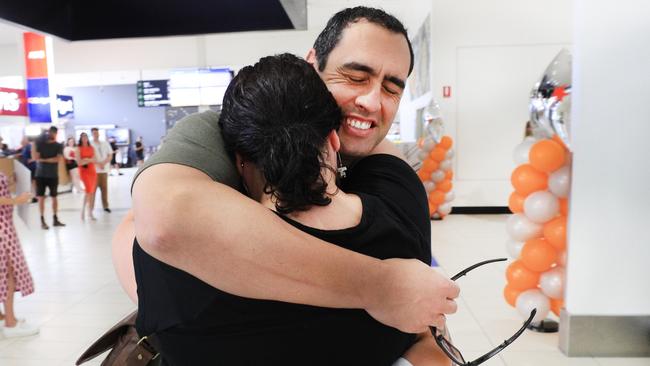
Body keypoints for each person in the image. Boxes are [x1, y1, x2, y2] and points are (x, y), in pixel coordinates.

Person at [114, 6, 459, 340]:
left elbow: (420, 304)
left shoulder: (383, 164)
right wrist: (380, 286)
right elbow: (160, 221)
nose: (371, 101)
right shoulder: (231, 131)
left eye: (391, 88)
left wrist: (426, 339)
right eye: (356, 77)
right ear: (312, 64)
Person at [0, 172, 39, 338]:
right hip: (2, 228)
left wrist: (8, 181)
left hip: (4, 224)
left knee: (4, 273)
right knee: (8, 273)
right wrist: (17, 200)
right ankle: (10, 322)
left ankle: (3, 317)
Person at [32, 126, 65, 229]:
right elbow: (36, 158)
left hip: (53, 175)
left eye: (55, 132)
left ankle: (55, 218)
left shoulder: (59, 145)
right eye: (51, 132)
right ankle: (42, 220)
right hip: (40, 175)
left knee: (54, 197)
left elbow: (57, 159)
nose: (53, 134)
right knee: (41, 198)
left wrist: (43, 160)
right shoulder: (40, 144)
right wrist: (35, 144)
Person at [90, 128, 112, 213]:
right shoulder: (90, 144)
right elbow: (90, 157)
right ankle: (91, 208)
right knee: (93, 190)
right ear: (92, 134)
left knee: (104, 189)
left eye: (97, 132)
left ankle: (105, 206)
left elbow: (110, 155)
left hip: (104, 171)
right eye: (94, 133)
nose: (96, 134)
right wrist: (98, 164)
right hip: (94, 171)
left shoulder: (105, 143)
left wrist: (103, 163)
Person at [77, 133, 98, 221]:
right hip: (83, 172)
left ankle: (85, 211)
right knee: (88, 190)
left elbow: (95, 159)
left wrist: (86, 159)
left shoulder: (91, 148)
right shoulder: (78, 149)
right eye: (83, 137)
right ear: (81, 139)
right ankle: (88, 212)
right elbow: (79, 162)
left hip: (92, 171)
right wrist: (89, 160)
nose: (84, 139)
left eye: (86, 137)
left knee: (90, 192)